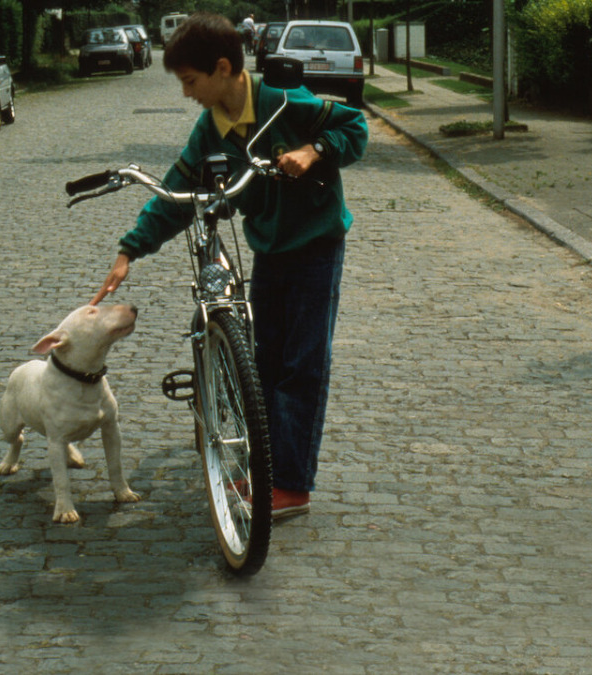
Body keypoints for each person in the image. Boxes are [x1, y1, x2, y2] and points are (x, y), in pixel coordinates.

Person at [90, 12, 368, 520]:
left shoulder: (285, 101)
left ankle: (292, 484)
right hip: (269, 247)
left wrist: (314, 149)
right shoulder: (211, 128)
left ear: (223, 69)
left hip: (316, 244)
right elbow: (178, 189)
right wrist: (130, 249)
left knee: (302, 365)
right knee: (263, 364)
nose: (186, 93)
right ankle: (267, 469)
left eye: (191, 82)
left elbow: (355, 126)